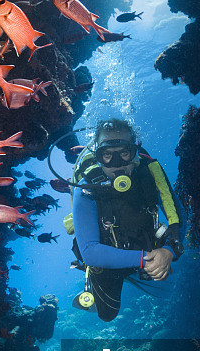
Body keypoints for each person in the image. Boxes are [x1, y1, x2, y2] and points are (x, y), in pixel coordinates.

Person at [71, 118, 183, 321]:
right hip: (108, 260)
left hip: (148, 248)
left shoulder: (150, 175)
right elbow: (90, 252)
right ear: (98, 157)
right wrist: (145, 259)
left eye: (124, 153)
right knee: (107, 315)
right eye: (107, 155)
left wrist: (169, 251)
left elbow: (177, 217)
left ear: (135, 153)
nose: (117, 164)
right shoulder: (86, 189)